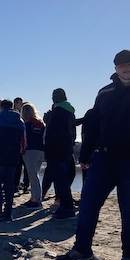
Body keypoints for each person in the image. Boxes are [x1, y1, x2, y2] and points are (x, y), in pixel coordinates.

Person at [59, 50, 130, 260]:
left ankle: (129, 258)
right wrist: (86, 155)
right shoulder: (104, 93)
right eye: (121, 66)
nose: (125, 69)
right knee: (88, 204)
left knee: (129, 209)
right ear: (115, 68)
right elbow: (93, 127)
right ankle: (82, 249)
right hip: (104, 158)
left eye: (129, 64)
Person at [44, 88, 77, 219]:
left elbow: (53, 134)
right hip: (67, 148)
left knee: (60, 180)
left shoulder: (57, 112)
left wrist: (48, 150)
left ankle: (67, 207)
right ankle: (66, 205)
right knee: (63, 178)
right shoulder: (69, 112)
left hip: (57, 150)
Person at [21, 102, 46, 209]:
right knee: (35, 174)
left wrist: (22, 151)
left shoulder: (25, 125)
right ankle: (34, 198)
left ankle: (37, 200)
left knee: (33, 175)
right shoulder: (41, 124)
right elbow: (45, 138)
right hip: (41, 151)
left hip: (30, 151)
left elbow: (23, 139)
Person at [13, 97, 29, 194]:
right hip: (18, 144)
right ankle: (16, 184)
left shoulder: (25, 115)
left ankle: (25, 185)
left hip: (25, 144)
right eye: (20, 103)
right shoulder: (15, 115)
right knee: (17, 166)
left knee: (26, 167)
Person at [75, 108, 93, 184]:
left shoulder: (90, 113)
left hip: (87, 148)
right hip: (98, 149)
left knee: (85, 173)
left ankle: (85, 191)